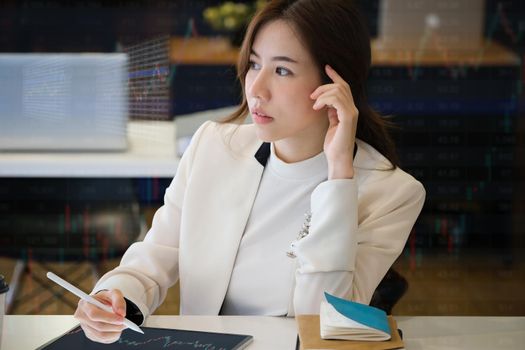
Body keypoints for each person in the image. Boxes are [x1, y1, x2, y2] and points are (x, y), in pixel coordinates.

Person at [74, 0, 425, 343]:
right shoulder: (213, 146)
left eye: (282, 70)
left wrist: (338, 177)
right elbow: (155, 257)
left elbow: (323, 321)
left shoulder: (392, 194)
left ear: (336, 85)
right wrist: (114, 295)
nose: (255, 89)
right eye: (255, 64)